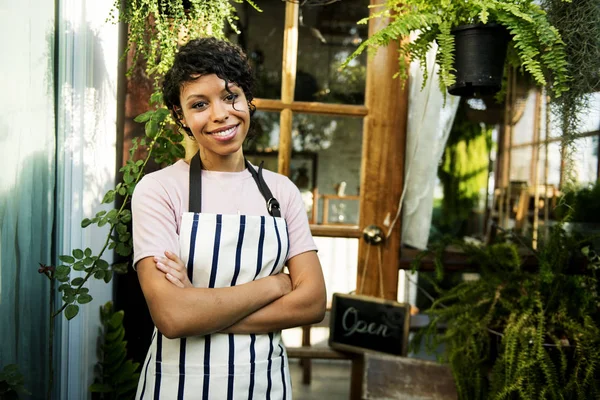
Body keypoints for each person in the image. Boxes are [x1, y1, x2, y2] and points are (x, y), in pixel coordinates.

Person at [131, 37, 326, 399]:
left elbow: (313, 303)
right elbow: (173, 318)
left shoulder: (281, 193)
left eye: (230, 96)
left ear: (246, 98)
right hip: (179, 386)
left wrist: (199, 305)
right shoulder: (159, 190)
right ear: (180, 116)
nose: (220, 114)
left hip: (265, 385)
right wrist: (274, 286)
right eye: (199, 104)